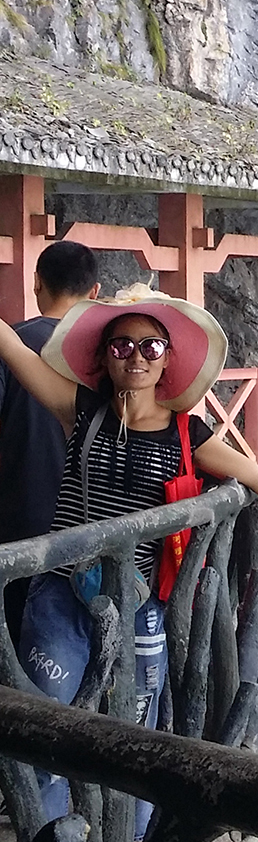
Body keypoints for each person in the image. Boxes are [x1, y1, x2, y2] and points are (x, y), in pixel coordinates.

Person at [0, 285, 258, 842]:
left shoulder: (188, 434)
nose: (136, 357)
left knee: (136, 735)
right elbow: (18, 357)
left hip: (139, 607)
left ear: (168, 359)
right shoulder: (80, 408)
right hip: (62, 596)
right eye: (122, 346)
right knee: (43, 727)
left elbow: (255, 476)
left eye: (150, 346)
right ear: (103, 357)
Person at [1, 245, 101, 597]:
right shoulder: (114, 356)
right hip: (95, 528)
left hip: (18, 523)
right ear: (95, 291)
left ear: (37, 283)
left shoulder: (14, 344)